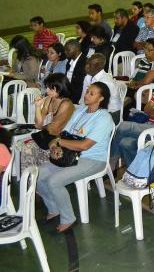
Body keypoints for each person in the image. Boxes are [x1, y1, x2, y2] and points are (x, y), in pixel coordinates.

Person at [37, 82, 114, 233]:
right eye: (87, 91)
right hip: (70, 155)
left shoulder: (104, 118)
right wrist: (55, 148)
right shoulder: (80, 111)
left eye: (92, 93)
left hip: (92, 159)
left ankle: (68, 218)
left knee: (54, 181)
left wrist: (59, 142)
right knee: (39, 175)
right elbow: (62, 135)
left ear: (101, 98)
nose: (86, 95)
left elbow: (84, 145)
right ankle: (54, 208)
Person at [18, 73, 76, 173]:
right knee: (22, 146)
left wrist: (44, 125)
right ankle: (29, 182)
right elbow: (38, 125)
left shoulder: (66, 104)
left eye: (51, 88)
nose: (47, 91)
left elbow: (54, 130)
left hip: (60, 140)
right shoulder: (49, 99)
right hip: (47, 137)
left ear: (60, 88)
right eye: (47, 88)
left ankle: (34, 181)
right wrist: (37, 107)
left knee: (27, 149)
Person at [79, 54, 121, 124]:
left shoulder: (106, 82)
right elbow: (83, 98)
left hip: (110, 113)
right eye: (87, 63)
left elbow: (102, 107)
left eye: (90, 65)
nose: (86, 66)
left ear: (99, 67)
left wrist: (84, 115)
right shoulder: (88, 77)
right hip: (93, 108)